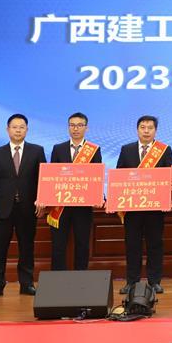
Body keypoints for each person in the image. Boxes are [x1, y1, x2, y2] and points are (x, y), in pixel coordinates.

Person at [0, 114, 46, 299]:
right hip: (2, 209)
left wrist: (42, 200)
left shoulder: (37, 151)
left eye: (22, 127)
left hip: (28, 208)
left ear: (27, 130)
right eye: (14, 127)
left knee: (27, 248)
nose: (18, 130)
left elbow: (43, 179)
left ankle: (26, 284)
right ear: (7, 129)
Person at [116, 115, 172, 295]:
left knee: (155, 245)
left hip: (155, 208)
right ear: (137, 130)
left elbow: (171, 177)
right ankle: (131, 282)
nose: (146, 131)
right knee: (132, 245)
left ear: (155, 130)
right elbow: (119, 177)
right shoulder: (127, 150)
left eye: (150, 128)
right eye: (143, 127)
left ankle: (154, 281)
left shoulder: (164, 150)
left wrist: (169, 198)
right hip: (132, 208)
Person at [48, 112, 102, 271]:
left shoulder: (94, 150)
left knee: (82, 244)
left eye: (79, 125)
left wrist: (99, 196)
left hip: (83, 207)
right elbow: (52, 177)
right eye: (72, 125)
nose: (75, 129)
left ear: (86, 128)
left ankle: (81, 278)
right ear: (68, 127)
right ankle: (58, 279)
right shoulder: (58, 149)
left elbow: (96, 177)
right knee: (58, 245)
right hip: (61, 206)